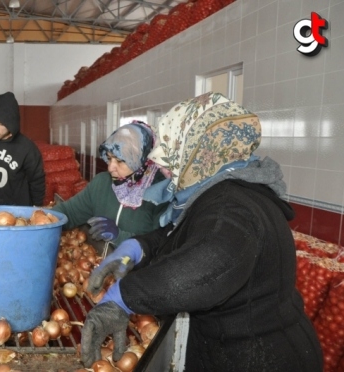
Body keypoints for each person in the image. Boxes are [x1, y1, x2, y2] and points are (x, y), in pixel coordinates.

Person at [80, 93, 323, 371]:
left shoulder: (230, 205)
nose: (163, 165)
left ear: (200, 150)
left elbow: (206, 266)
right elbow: (186, 237)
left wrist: (125, 296)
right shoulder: (223, 192)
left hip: (259, 358)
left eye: (173, 149)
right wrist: (139, 247)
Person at [52, 121, 168, 251]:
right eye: (109, 158)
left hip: (137, 270)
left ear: (141, 159)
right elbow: (69, 212)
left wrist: (120, 237)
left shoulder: (161, 193)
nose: (110, 167)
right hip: (99, 266)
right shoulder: (102, 183)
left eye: (119, 161)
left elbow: (160, 244)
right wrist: (40, 220)